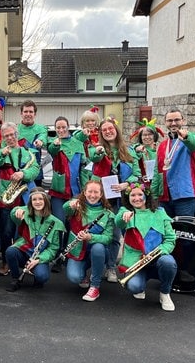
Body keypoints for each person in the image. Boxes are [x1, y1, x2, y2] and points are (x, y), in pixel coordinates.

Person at [88, 117, 141, 283]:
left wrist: (127, 184)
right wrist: (98, 151)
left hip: (122, 201)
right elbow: (93, 157)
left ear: (116, 130)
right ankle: (98, 266)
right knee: (104, 234)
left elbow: (138, 175)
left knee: (117, 235)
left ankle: (112, 267)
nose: (108, 131)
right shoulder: (98, 150)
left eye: (110, 128)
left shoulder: (129, 151)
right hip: (103, 200)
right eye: (104, 130)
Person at [115, 183, 178, 311]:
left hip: (157, 259)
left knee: (168, 262)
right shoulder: (125, 211)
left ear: (146, 196)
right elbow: (119, 223)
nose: (136, 198)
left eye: (140, 194)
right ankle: (141, 283)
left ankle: (165, 293)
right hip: (137, 262)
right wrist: (124, 216)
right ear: (128, 198)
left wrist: (160, 252)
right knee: (134, 287)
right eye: (133, 195)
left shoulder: (160, 212)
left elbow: (170, 240)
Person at [0, 122, 40, 276]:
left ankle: (22, 261)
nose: (10, 137)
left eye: (12, 134)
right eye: (6, 135)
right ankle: (6, 262)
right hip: (6, 197)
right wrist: (3, 153)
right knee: (5, 232)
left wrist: (23, 174)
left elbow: (35, 170)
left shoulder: (28, 152)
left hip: (24, 198)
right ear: (3, 138)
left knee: (24, 232)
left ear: (17, 134)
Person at [46, 116, 89, 272]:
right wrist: (56, 145)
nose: (61, 130)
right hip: (59, 192)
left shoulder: (78, 144)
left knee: (73, 225)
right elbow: (52, 150)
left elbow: (84, 167)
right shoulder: (54, 143)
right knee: (59, 225)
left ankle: (69, 255)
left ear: (68, 127)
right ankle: (57, 256)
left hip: (76, 192)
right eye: (58, 128)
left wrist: (84, 190)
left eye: (63, 127)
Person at [4, 187, 65, 292]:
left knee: (42, 276)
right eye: (34, 199)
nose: (37, 202)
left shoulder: (55, 222)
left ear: (45, 201)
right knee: (10, 251)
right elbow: (13, 214)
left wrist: (39, 260)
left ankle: (37, 276)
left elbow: (53, 249)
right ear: (30, 202)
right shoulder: (25, 214)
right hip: (24, 252)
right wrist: (18, 210)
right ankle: (15, 278)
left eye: (40, 199)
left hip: (39, 256)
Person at [63, 180, 114, 301]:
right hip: (78, 251)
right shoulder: (77, 206)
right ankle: (83, 272)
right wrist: (70, 203)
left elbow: (108, 238)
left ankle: (95, 286)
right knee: (75, 277)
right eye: (90, 191)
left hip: (98, 252)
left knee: (98, 247)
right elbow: (65, 208)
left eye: (96, 192)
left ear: (101, 194)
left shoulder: (108, 214)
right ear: (84, 192)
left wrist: (91, 237)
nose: (92, 195)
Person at [156, 109, 195, 218]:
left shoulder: (189, 139)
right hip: (165, 197)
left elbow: (194, 144)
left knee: (185, 231)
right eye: (170, 120)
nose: (173, 123)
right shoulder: (162, 145)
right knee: (166, 232)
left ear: (183, 121)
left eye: (177, 120)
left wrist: (186, 137)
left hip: (184, 195)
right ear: (165, 123)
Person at [17, 100, 48, 187]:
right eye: (25, 111)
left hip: (36, 174)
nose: (28, 114)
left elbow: (43, 137)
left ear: (35, 114)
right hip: (18, 173)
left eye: (31, 112)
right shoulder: (15, 129)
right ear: (21, 113)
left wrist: (40, 141)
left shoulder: (41, 128)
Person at [129, 118, 164, 191]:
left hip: (158, 185)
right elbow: (132, 158)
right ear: (141, 137)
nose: (147, 137)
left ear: (154, 136)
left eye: (150, 134)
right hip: (141, 185)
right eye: (144, 135)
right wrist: (137, 150)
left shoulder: (160, 149)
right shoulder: (136, 149)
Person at [73, 106, 102, 189]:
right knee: (85, 189)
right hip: (84, 166)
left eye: (93, 120)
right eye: (87, 121)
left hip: (98, 166)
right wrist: (84, 134)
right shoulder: (79, 132)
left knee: (97, 188)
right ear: (83, 123)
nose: (90, 123)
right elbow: (77, 138)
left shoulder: (100, 134)